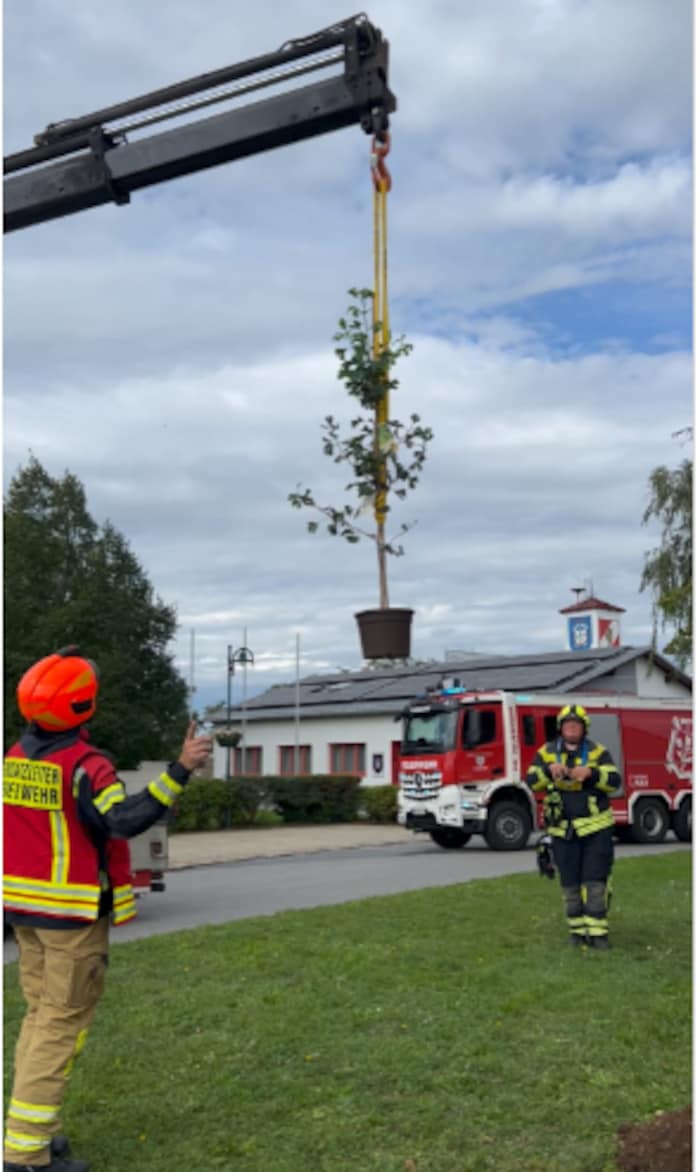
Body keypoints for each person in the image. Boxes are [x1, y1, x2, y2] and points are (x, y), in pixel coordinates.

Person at [3, 646, 212, 1172]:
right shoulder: (84, 766)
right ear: (83, 707)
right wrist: (181, 769)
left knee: (40, 1017)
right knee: (60, 1023)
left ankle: (38, 1131)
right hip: (71, 918)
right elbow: (124, 821)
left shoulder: (16, 758)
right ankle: (25, 1154)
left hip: (24, 913)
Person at [526, 703, 621, 950]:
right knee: (569, 884)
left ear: (584, 728)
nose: (571, 728)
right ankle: (577, 933)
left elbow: (614, 781)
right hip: (562, 831)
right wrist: (549, 771)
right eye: (567, 725)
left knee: (595, 882)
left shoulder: (599, 752)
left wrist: (591, 774)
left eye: (576, 725)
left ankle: (598, 934)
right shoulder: (546, 752)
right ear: (561, 728)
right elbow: (531, 781)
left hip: (595, 830)